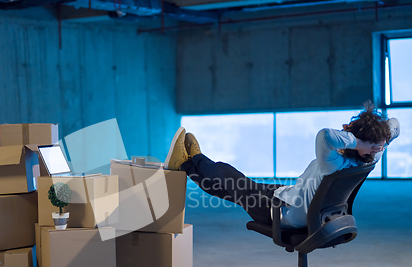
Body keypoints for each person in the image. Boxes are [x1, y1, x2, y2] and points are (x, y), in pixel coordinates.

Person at [164, 102, 400, 229]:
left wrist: (359, 139)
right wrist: (377, 136)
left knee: (232, 180)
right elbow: (395, 124)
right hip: (291, 197)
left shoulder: (334, 162)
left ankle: (190, 162)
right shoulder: (369, 157)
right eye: (378, 143)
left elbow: (324, 135)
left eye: (380, 144)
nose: (380, 147)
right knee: (233, 188)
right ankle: (191, 164)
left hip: (282, 212)